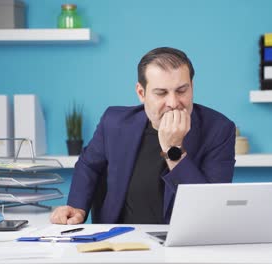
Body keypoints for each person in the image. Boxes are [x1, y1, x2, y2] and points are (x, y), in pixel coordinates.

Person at [50, 47, 236, 225]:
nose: (173, 103)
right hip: (120, 239)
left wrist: (174, 149)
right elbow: (89, 165)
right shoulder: (114, 122)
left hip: (182, 242)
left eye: (181, 90)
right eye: (161, 93)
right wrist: (77, 207)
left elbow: (209, 208)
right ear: (141, 93)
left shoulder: (219, 130)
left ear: (192, 87)